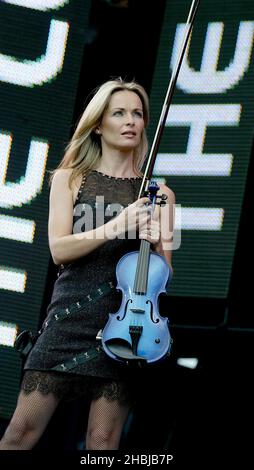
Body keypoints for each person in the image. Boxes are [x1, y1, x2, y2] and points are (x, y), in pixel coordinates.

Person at [0, 78, 175, 450]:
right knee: (19, 434)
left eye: (138, 114)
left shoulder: (160, 194)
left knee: (103, 440)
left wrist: (158, 238)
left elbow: (164, 273)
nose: (131, 121)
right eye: (119, 113)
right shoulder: (69, 179)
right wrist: (117, 226)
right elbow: (59, 250)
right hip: (68, 319)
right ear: (98, 124)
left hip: (127, 326)